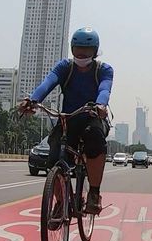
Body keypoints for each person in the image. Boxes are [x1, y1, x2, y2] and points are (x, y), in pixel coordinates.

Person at [19, 27, 113, 215]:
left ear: (94, 52)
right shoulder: (65, 67)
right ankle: (62, 202)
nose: (81, 54)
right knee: (54, 154)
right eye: (77, 50)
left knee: (95, 141)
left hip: (93, 117)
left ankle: (94, 193)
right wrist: (32, 100)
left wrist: (101, 105)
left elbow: (104, 89)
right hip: (68, 119)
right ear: (71, 49)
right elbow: (47, 82)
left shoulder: (104, 69)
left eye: (86, 51)